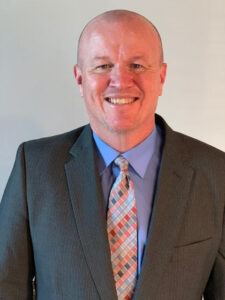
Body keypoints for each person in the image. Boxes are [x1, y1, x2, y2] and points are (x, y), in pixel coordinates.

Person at [0, 9, 224, 300]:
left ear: (162, 77)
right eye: (103, 66)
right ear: (80, 79)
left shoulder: (216, 172)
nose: (120, 80)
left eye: (137, 65)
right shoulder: (36, 167)